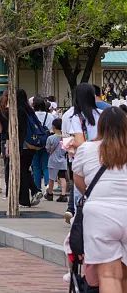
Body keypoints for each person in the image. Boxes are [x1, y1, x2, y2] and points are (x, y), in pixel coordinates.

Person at [72, 107, 127, 292]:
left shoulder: (87, 149)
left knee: (109, 274)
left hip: (100, 215)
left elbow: (79, 181)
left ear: (100, 126)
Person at [63, 82, 102, 213]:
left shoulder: (77, 117)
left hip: (85, 161)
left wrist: (71, 142)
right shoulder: (102, 114)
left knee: (82, 198)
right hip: (104, 160)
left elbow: (81, 143)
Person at [13, 88, 43, 207]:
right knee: (24, 170)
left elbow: (20, 129)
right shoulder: (29, 110)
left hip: (23, 145)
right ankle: (35, 191)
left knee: (22, 171)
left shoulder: (18, 111)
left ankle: (25, 199)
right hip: (32, 145)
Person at [32, 95, 55, 192]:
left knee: (36, 167)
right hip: (46, 142)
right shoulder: (50, 116)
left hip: (34, 143)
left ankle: (37, 188)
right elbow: (53, 130)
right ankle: (48, 186)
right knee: (46, 166)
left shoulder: (32, 116)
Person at [45, 118, 69, 201]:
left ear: (53, 127)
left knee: (51, 178)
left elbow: (48, 149)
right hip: (63, 160)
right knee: (62, 178)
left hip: (53, 160)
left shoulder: (50, 138)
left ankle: (50, 194)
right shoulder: (66, 138)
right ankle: (63, 194)